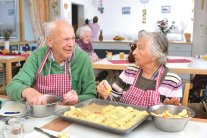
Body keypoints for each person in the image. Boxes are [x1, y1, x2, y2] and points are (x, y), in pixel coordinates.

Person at [6, 20, 97, 105]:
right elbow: (13, 86)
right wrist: (27, 91)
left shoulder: (83, 59)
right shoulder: (37, 57)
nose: (71, 44)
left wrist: (78, 98)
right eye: (66, 39)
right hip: (41, 114)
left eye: (73, 38)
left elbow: (91, 95)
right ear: (49, 41)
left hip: (70, 116)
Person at [97, 31, 182, 107]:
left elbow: (171, 115)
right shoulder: (130, 71)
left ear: (156, 53)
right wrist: (105, 94)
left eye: (140, 48)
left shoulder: (172, 81)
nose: (134, 52)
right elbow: (113, 100)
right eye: (136, 47)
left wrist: (168, 110)